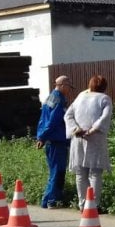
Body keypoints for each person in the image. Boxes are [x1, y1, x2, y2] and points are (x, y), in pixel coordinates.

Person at [64, 75, 113, 210]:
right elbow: (105, 117)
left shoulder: (80, 97)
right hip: (95, 138)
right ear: (104, 87)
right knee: (95, 172)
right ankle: (94, 205)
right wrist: (93, 129)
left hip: (78, 138)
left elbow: (68, 115)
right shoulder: (104, 99)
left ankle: (82, 204)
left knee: (80, 173)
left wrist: (75, 129)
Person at [36, 75, 73, 208]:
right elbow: (53, 121)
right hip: (57, 141)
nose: (69, 90)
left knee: (56, 170)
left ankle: (54, 198)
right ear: (62, 85)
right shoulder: (59, 100)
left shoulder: (50, 98)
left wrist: (41, 136)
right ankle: (50, 200)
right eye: (69, 87)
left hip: (52, 140)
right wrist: (43, 137)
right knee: (58, 171)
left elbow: (42, 120)